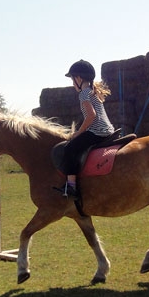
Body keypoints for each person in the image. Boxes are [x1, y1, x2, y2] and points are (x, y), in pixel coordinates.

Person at [55, 59, 115, 198]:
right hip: (108, 130)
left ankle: (71, 187)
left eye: (72, 79)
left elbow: (91, 116)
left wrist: (78, 133)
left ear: (78, 78)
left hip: (97, 132)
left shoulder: (83, 94)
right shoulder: (93, 92)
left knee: (69, 149)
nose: (72, 84)